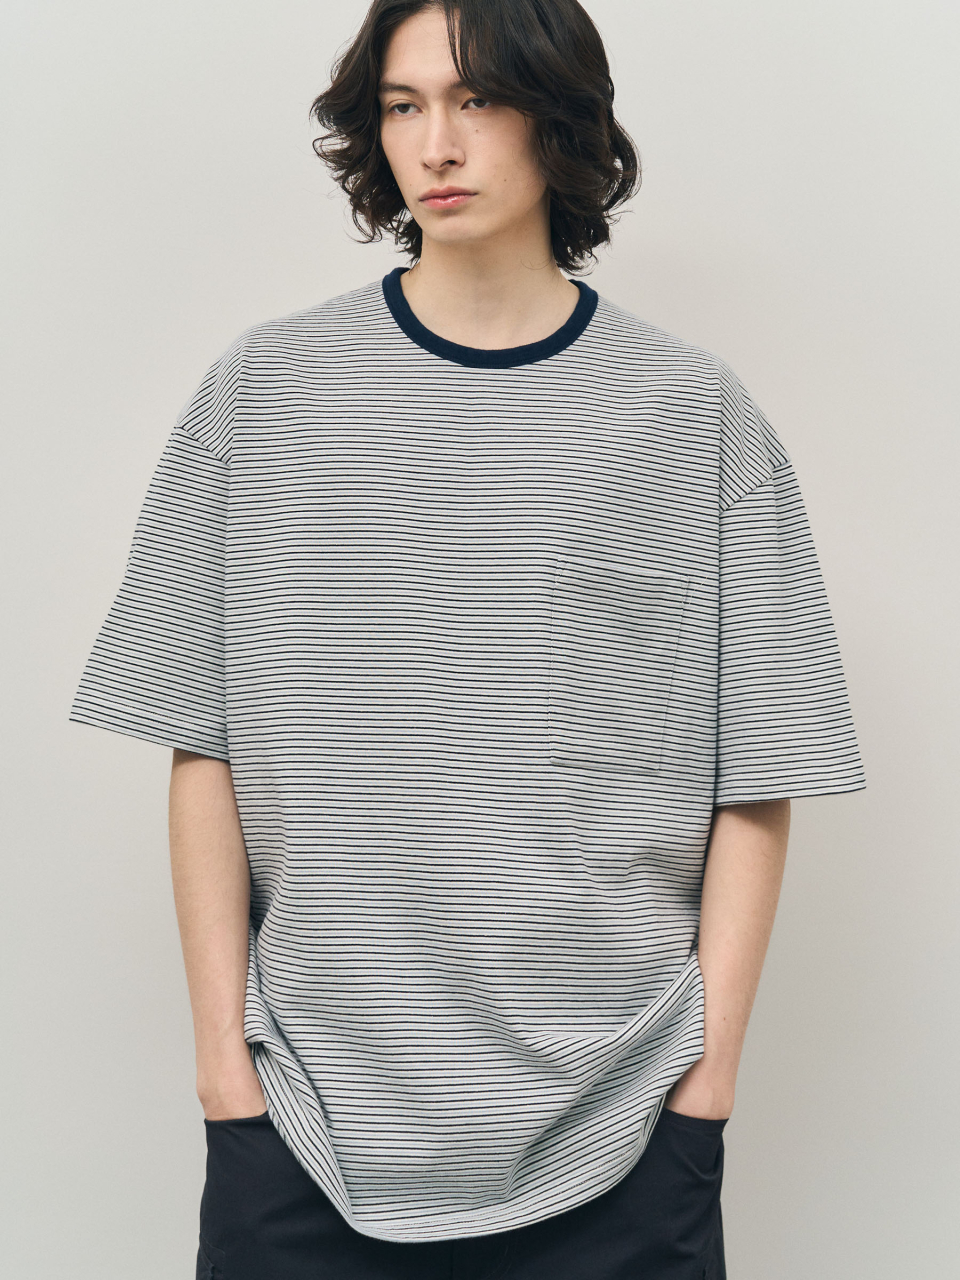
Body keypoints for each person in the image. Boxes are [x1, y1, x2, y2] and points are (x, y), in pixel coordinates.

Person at [68, 1, 866, 1276]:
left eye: (478, 100)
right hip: (304, 1128)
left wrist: (706, 1082)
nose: (436, 143)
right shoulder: (262, 392)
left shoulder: (693, 414)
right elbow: (199, 742)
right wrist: (224, 1065)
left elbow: (760, 771)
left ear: (562, 120)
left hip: (621, 1131)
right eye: (403, 106)